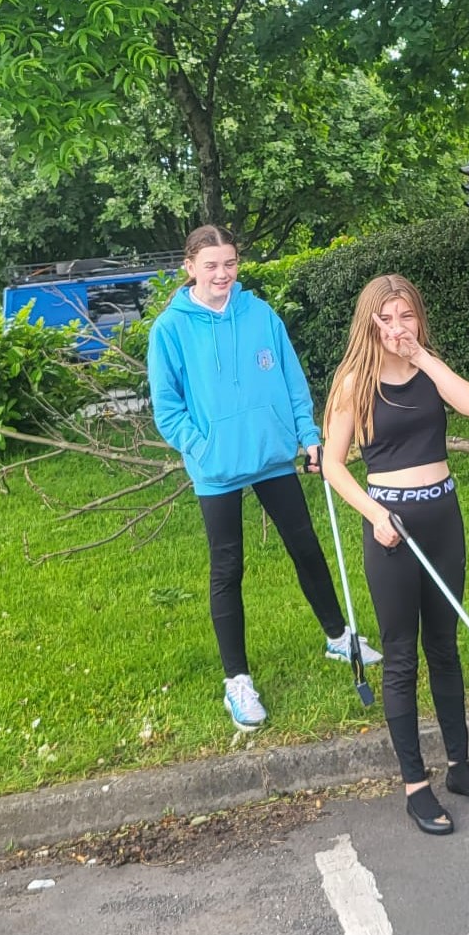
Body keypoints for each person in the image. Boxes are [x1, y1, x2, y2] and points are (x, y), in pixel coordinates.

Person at [147, 225, 381, 732]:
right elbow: (166, 409)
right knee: (227, 569)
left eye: (229, 264)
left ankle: (338, 636)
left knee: (306, 546)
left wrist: (308, 434)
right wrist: (200, 445)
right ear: (189, 268)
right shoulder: (169, 329)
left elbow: (292, 381)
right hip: (217, 471)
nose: (221, 274)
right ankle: (238, 680)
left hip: (273, 457)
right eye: (210, 265)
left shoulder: (260, 314)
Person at [322, 273, 469, 836]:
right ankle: (415, 785)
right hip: (392, 526)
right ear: (368, 322)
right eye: (386, 319)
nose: (397, 328)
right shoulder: (355, 381)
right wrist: (376, 516)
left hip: (443, 516)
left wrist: (422, 356)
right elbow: (333, 465)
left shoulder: (428, 369)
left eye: (407, 317)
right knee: (402, 657)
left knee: (444, 647)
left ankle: (459, 767)